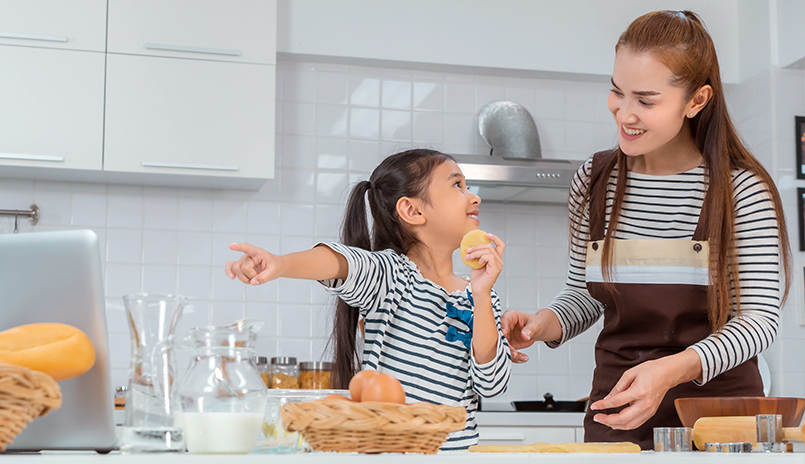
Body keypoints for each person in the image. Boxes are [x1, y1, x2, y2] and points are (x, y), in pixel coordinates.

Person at [501, 10, 792, 449]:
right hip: (618, 413)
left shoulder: (740, 190)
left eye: (646, 100)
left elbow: (758, 321)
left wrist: (673, 368)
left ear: (696, 101)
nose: (625, 112)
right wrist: (544, 324)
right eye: (617, 92)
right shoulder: (594, 180)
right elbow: (585, 293)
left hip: (717, 420)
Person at [225, 148, 511, 450]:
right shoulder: (392, 275)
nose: (473, 197)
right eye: (457, 185)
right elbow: (343, 262)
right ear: (412, 211)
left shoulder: (480, 292)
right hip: (391, 456)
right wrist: (281, 264)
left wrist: (480, 296)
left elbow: (492, 384)